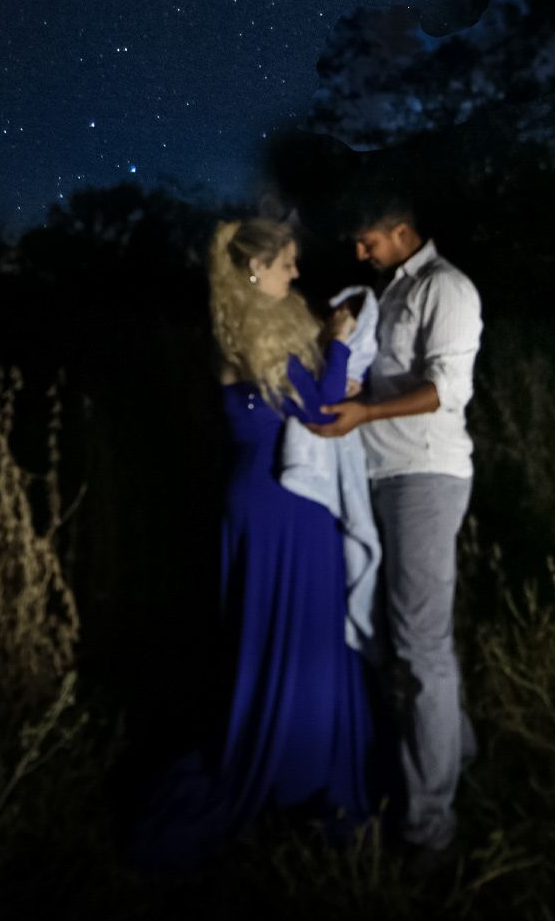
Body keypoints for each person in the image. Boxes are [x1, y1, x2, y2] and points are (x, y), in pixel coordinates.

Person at [127, 218, 380, 869]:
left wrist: (334, 371)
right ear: (253, 270)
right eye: (287, 263)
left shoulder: (257, 329)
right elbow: (318, 413)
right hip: (275, 505)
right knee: (277, 631)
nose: (296, 273)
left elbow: (308, 397)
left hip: (278, 502)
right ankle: (279, 769)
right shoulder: (251, 334)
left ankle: (304, 762)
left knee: (305, 630)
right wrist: (343, 341)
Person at [306, 192, 482, 865]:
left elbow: (446, 390)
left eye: (367, 241)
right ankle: (457, 752)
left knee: (420, 645)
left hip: (425, 476)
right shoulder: (391, 291)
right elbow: (394, 384)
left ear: (402, 231)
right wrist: (361, 398)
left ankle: (430, 829)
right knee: (399, 635)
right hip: (382, 474)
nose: (359, 253)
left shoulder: (447, 288)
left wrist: (367, 416)